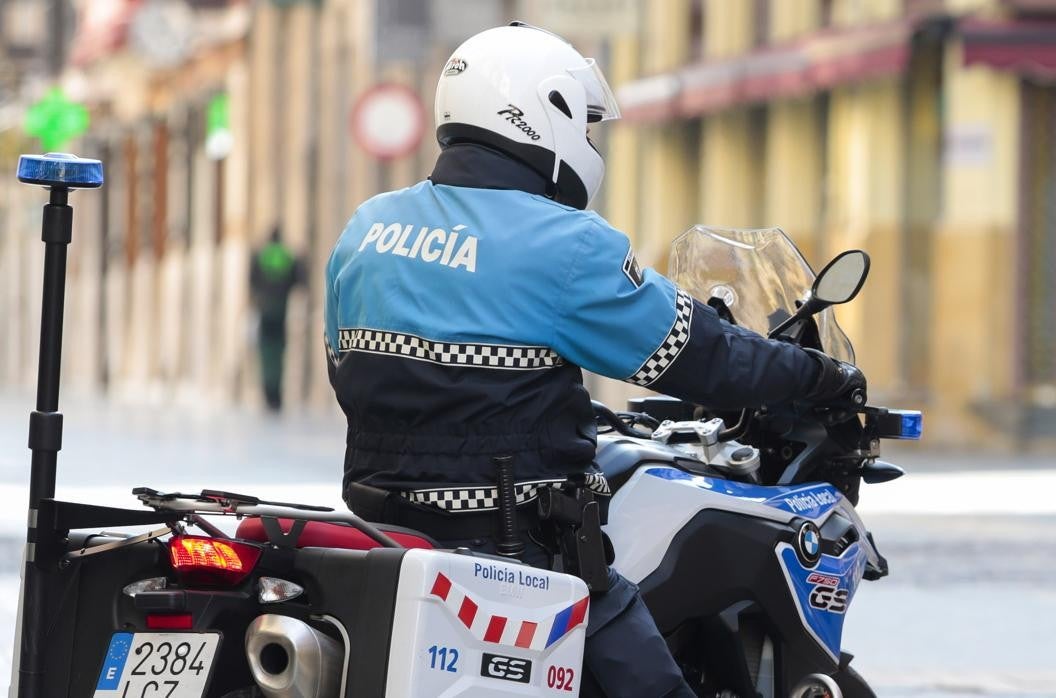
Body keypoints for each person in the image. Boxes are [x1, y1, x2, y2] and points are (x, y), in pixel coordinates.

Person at [323, 23, 865, 698]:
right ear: (544, 112)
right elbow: (703, 356)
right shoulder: (567, 246)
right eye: (583, 122)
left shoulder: (368, 228)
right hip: (520, 551)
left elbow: (352, 370)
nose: (586, 141)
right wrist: (820, 375)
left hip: (384, 532)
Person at [250, 227, 302, 411]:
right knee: (279, 353)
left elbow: (253, 282)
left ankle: (268, 391)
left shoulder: (261, 256)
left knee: (266, 353)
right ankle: (277, 395)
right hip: (281, 311)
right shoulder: (287, 256)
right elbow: (298, 280)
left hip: (265, 311)